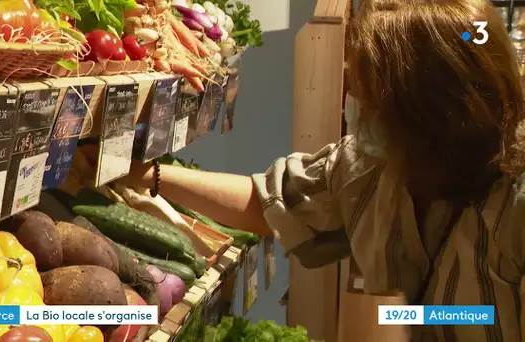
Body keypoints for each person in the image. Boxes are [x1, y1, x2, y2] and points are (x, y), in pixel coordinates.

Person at [123, 0, 525, 340]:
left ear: (423, 110)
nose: (354, 97)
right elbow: (268, 201)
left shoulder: (514, 202)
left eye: (371, 93)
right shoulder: (373, 165)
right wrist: (147, 175)